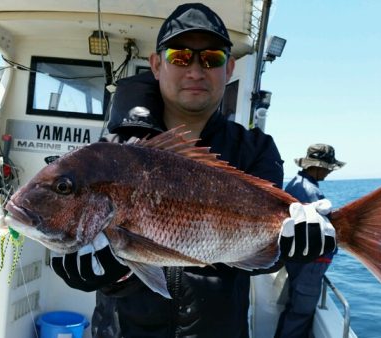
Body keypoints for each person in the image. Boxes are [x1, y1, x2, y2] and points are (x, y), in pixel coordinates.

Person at [50, 3, 336, 337]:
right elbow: (114, 257)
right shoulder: (115, 150)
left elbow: (262, 259)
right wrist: (111, 275)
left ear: (228, 68)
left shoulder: (255, 149)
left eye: (211, 58)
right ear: (157, 65)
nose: (196, 70)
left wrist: (292, 247)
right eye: (181, 56)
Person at [275, 144, 345, 338]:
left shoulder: (296, 183)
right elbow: (320, 232)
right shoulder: (312, 192)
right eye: (327, 168)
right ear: (317, 166)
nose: (328, 172)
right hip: (311, 262)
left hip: (297, 257)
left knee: (293, 306)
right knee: (300, 312)